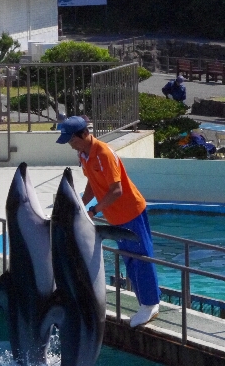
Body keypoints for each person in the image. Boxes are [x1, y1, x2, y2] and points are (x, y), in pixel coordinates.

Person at [55, 116, 161, 327]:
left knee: (141, 257)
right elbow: (93, 183)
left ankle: (150, 304)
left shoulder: (103, 153)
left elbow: (116, 190)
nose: (70, 144)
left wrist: (94, 210)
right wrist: (80, 204)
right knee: (130, 259)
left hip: (130, 212)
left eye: (71, 139)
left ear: (84, 134)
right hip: (116, 216)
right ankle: (147, 301)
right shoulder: (84, 155)